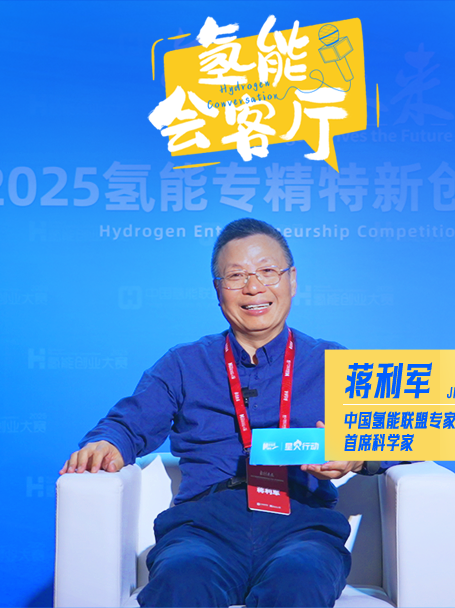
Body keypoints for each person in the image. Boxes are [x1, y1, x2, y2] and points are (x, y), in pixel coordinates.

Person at [60, 218, 391, 607]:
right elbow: (127, 424)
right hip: (204, 527)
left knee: (299, 581)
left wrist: (358, 454)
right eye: (236, 276)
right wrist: (107, 443)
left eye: (267, 272)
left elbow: (409, 434)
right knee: (181, 580)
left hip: (302, 525)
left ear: (292, 280)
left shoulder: (333, 361)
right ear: (218, 290)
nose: (253, 287)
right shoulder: (183, 363)